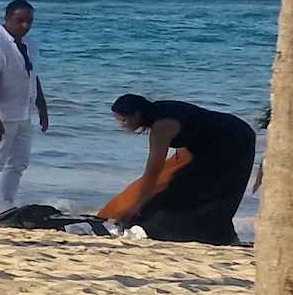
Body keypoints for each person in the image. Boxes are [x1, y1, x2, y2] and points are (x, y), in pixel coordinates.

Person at [104, 95, 256, 245]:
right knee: (178, 186)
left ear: (137, 114)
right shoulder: (156, 112)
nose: (121, 126)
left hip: (234, 138)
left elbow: (153, 171)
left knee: (202, 191)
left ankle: (220, 236)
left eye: (124, 120)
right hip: (211, 143)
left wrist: (137, 205)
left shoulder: (162, 126)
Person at [0, 0, 50, 220]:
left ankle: (6, 202)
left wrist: (42, 105)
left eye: (29, 21)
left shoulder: (29, 43)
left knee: (19, 161)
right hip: (2, 113)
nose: (25, 26)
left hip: (23, 111)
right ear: (7, 19)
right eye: (20, 21)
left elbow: (32, 76)